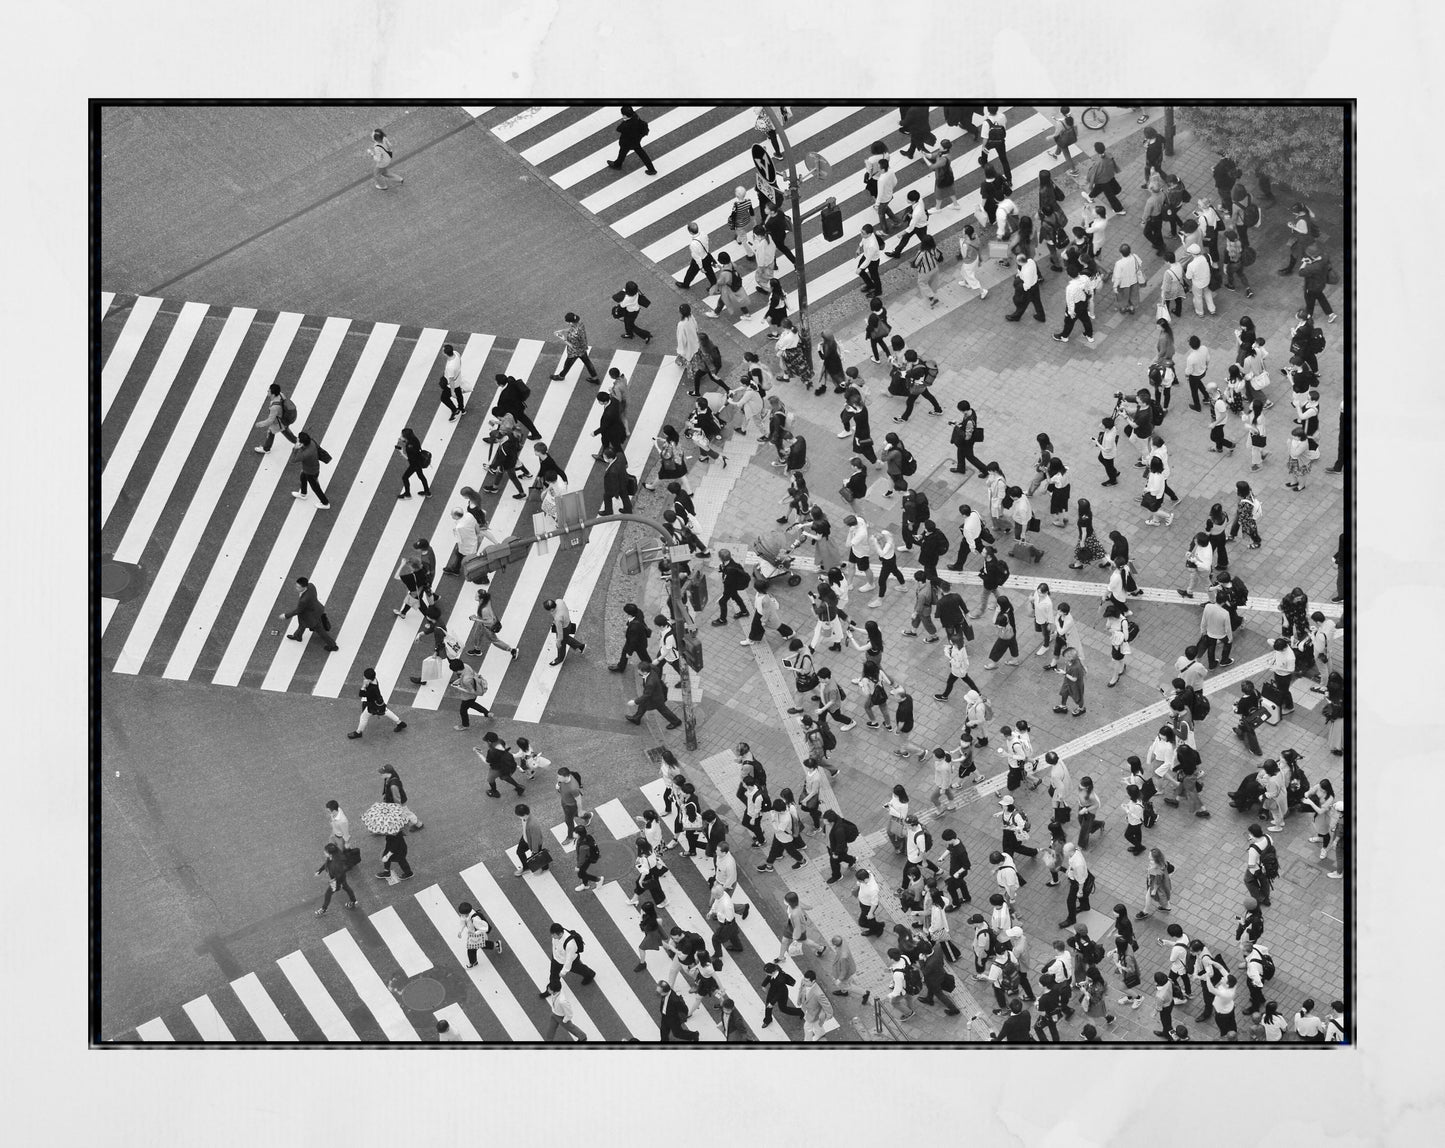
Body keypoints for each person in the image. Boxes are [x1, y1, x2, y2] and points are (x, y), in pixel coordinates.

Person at [286, 429, 333, 509]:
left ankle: (325, 503)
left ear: (302, 443)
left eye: (298, 439)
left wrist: (295, 449)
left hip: (311, 472)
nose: (297, 439)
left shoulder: (306, 453)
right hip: (310, 468)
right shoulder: (311, 442)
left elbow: (292, 460)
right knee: (302, 477)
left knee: (315, 488)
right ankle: (303, 494)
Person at [607, 104, 656, 174]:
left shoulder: (627, 124)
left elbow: (619, 129)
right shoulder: (635, 116)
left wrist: (625, 121)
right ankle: (651, 169)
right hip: (636, 139)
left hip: (628, 141)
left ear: (625, 115)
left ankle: (617, 164)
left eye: (623, 114)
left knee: (624, 152)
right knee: (635, 153)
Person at [1005, 252, 1046, 322]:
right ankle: (1041, 316)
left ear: (1020, 262)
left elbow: (1027, 285)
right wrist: (1020, 274)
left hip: (1029, 289)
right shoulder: (1031, 261)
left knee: (1023, 304)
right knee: (1037, 301)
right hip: (1035, 285)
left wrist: (1019, 286)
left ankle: (1016, 317)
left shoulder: (1027, 272)